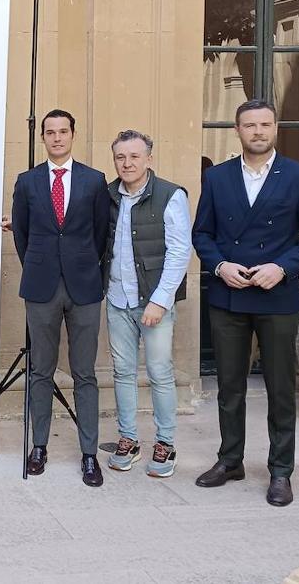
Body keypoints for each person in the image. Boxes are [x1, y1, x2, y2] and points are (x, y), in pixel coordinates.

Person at [192, 99, 299, 507]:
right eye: (249, 125)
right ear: (237, 131)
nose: (257, 131)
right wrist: (219, 266)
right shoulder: (216, 178)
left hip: (277, 296)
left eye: (265, 124)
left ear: (276, 128)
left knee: (280, 388)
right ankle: (230, 459)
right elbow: (203, 235)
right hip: (228, 294)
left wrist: (282, 267)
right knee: (229, 386)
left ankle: (281, 471)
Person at [10, 109, 110, 486]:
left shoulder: (94, 181)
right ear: (43, 139)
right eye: (49, 133)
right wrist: (39, 265)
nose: (56, 138)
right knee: (41, 370)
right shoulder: (28, 181)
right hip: (41, 287)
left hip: (84, 287)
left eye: (62, 131)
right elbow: (21, 233)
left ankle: (89, 454)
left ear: (73, 134)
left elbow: (102, 234)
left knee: (84, 372)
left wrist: (82, 265)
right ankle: (39, 446)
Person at [102, 130, 191, 477]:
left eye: (134, 156)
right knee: (123, 373)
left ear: (148, 159)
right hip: (117, 299)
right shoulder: (108, 195)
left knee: (159, 373)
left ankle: (165, 443)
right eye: (121, 157)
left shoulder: (170, 195)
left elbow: (180, 251)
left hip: (154, 302)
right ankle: (128, 439)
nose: (127, 163)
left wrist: (161, 300)